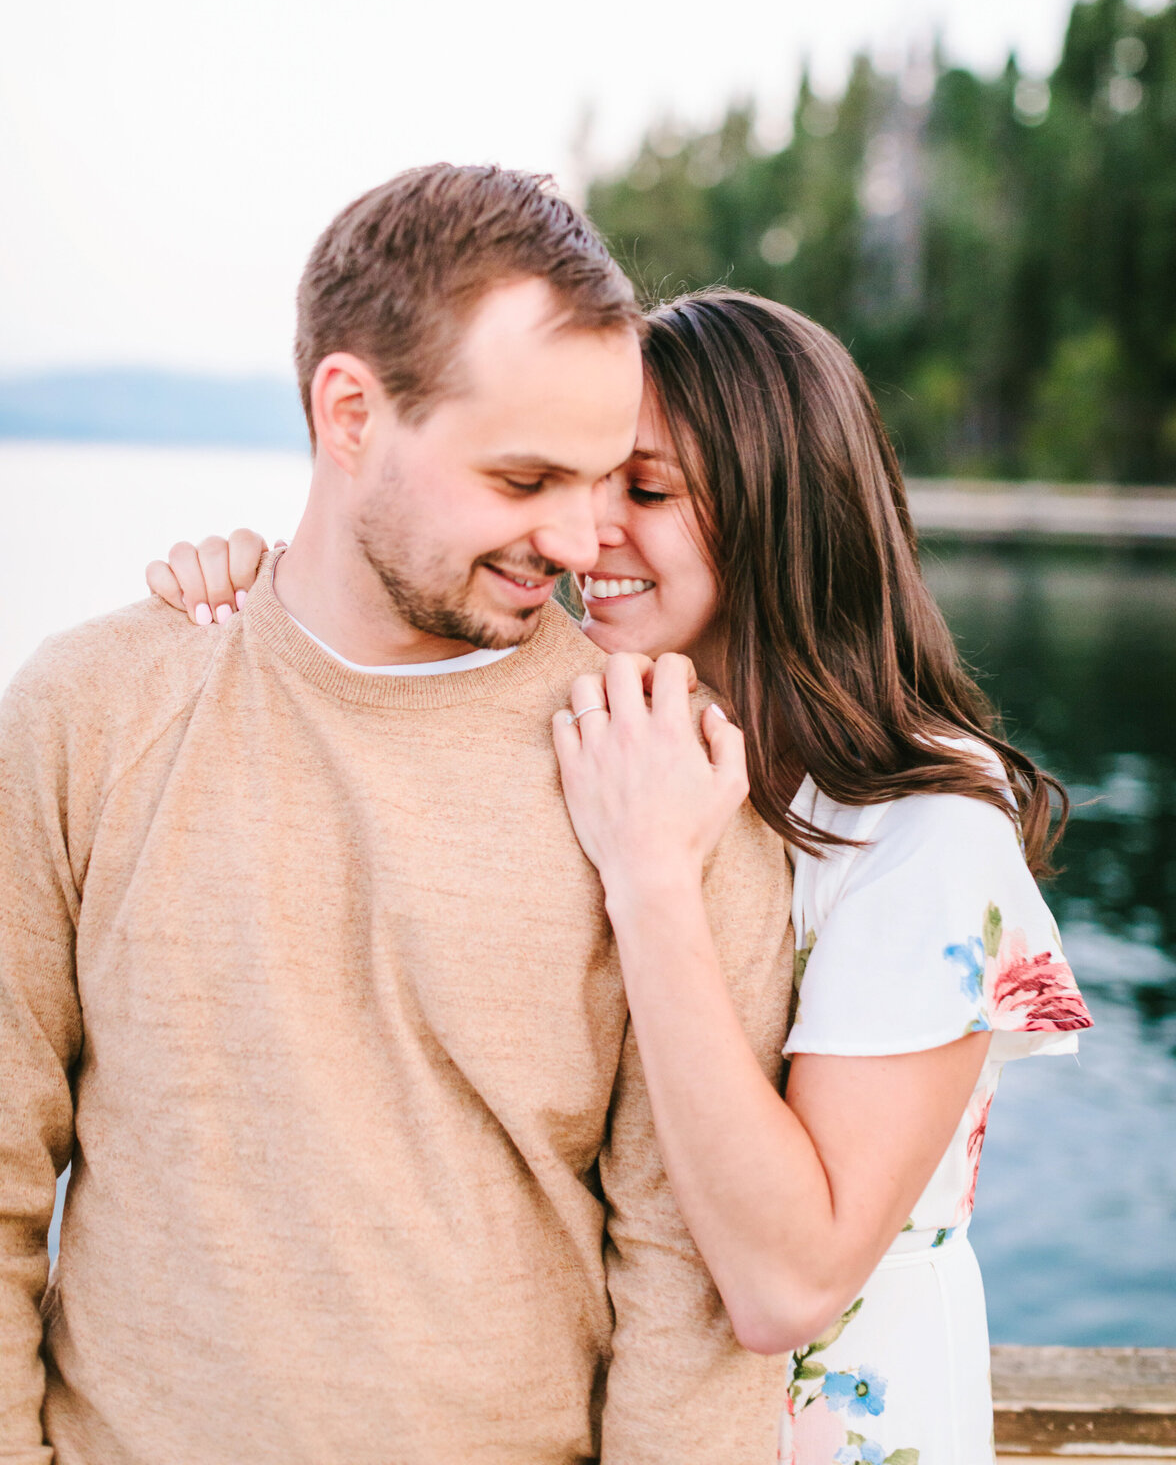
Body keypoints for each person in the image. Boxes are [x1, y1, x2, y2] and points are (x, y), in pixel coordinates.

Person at [159, 287, 1093, 1465]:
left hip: (818, 1425)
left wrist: (654, 883)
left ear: (780, 513)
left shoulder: (924, 832)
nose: (583, 534)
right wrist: (262, 600)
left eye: (641, 491)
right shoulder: (619, 730)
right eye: (574, 482)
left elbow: (785, 1284)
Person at [0, 168, 797, 1465]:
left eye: (603, 480)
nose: (583, 539)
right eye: (526, 476)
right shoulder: (89, 710)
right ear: (351, 412)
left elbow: (688, 1311)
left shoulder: (664, 777)